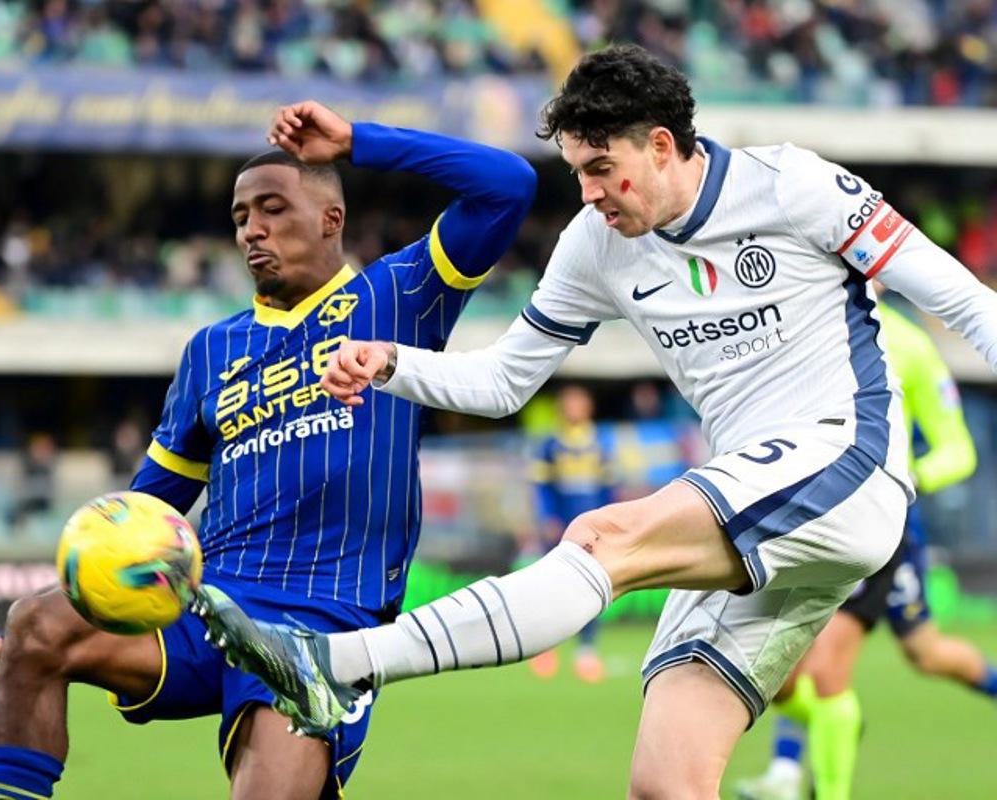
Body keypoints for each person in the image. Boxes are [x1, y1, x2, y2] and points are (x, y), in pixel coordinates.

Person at [191, 45, 997, 798]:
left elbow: (963, 299)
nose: (588, 194)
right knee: (664, 782)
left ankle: (338, 663)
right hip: (761, 515)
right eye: (577, 172)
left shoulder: (794, 187)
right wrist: (392, 363)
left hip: (846, 465)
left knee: (603, 539)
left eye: (602, 170)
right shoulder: (597, 244)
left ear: (659, 144)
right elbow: (505, 381)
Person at [0, 101, 536, 800]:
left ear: (330, 220)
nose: (251, 229)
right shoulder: (210, 350)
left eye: (273, 209)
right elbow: (145, 508)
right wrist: (27, 644)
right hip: (205, 612)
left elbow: (508, 183)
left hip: (320, 626)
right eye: (240, 217)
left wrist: (356, 142)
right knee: (36, 625)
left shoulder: (397, 297)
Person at [736, 298, 997, 800]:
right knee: (783, 677)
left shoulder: (910, 345)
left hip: (876, 525)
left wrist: (903, 478)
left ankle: (812, 776)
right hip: (800, 515)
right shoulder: (792, 324)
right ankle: (797, 762)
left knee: (905, 657)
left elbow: (958, 451)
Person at [525, 384, 616, 682]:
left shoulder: (600, 442)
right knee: (548, 585)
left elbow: (608, 488)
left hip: (592, 530)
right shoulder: (551, 444)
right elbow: (541, 487)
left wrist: (610, 520)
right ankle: (544, 647)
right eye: (570, 403)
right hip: (559, 527)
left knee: (593, 585)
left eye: (580, 402)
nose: (575, 408)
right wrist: (546, 516)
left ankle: (586, 650)